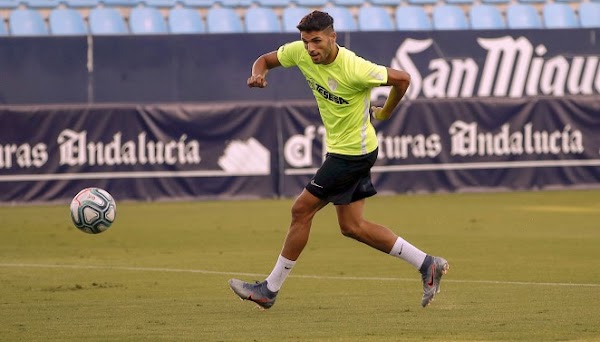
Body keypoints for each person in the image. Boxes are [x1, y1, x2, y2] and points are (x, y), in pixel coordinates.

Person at [228, 10, 448, 309]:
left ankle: (269, 289)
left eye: (316, 41)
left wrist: (384, 113)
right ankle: (427, 263)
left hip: (352, 154)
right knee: (352, 227)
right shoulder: (301, 53)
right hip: (348, 150)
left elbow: (403, 79)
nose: (310, 48)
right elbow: (265, 60)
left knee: (301, 210)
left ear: (332, 37)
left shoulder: (355, 68)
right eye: (305, 42)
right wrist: (258, 74)